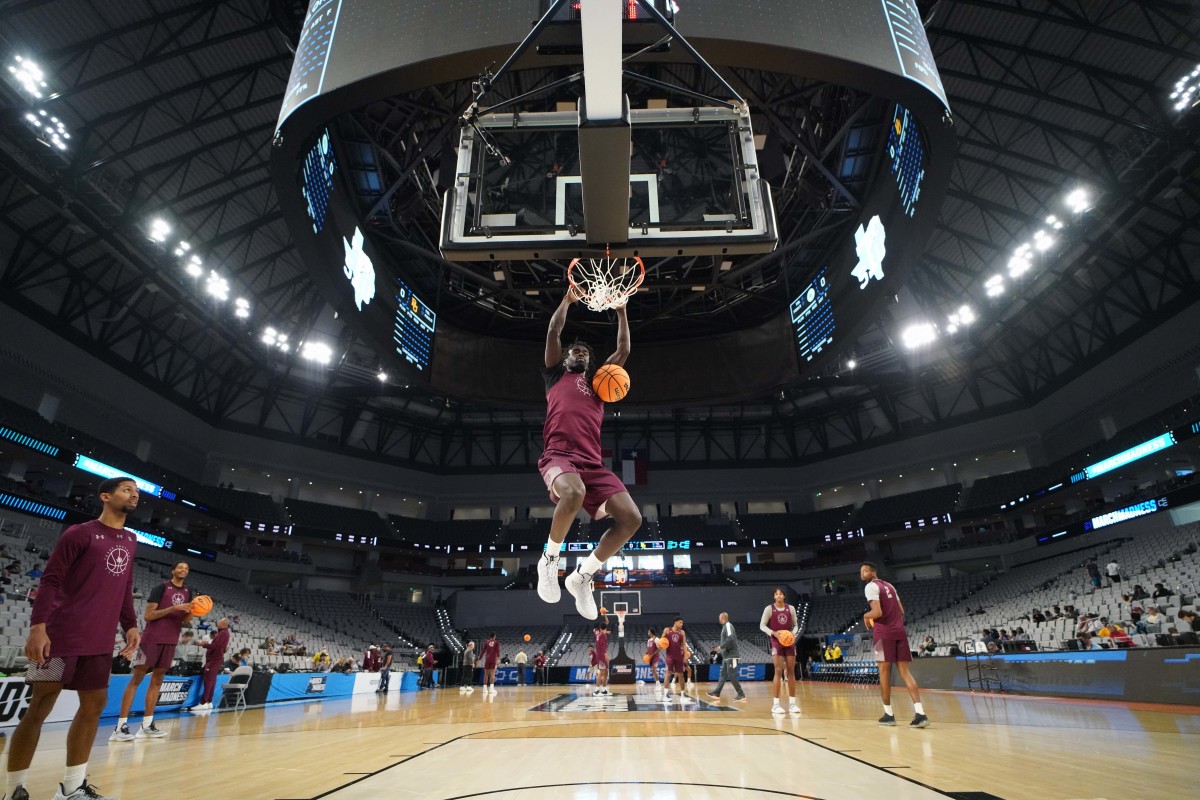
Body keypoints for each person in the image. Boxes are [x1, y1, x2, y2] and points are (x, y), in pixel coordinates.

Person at [5, 477, 140, 800]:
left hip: (99, 641)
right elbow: (51, 580)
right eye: (127, 489)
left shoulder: (131, 539)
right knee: (39, 707)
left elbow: (124, 586)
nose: (134, 495)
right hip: (60, 637)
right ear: (104, 496)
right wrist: (39, 627)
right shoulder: (80, 533)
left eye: (136, 492)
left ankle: (72, 787)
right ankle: (13, 790)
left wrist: (130, 625)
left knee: (94, 706)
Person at [535, 288, 641, 620]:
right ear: (565, 358)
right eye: (574, 350)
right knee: (574, 493)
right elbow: (554, 331)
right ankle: (549, 561)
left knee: (632, 519)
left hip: (592, 463)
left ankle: (583, 576)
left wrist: (621, 310)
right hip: (559, 455)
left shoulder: (599, 384)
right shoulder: (554, 375)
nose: (578, 352)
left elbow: (623, 348)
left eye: (584, 351)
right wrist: (566, 300)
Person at [111, 561, 194, 742]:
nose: (183, 570)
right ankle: (120, 727)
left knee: (157, 681)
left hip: (171, 640)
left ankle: (147, 725)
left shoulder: (188, 592)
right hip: (152, 639)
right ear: (173, 570)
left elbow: (186, 619)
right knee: (137, 679)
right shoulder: (160, 588)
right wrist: (174, 607)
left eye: (186, 569)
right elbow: (148, 616)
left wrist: (195, 610)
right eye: (180, 567)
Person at [861, 562, 929, 728]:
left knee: (883, 672)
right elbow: (901, 611)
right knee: (905, 672)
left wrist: (865, 616)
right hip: (899, 631)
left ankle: (888, 714)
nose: (861, 574)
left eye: (864, 571)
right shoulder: (890, 586)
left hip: (882, 633)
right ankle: (920, 713)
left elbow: (877, 612)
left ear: (873, 572)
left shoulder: (870, 587)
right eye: (860, 571)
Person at [759, 587, 800, 715]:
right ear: (774, 597)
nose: (779, 596)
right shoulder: (769, 609)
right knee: (778, 670)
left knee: (791, 671)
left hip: (789, 641)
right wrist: (773, 633)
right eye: (776, 594)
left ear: (784, 596)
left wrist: (792, 634)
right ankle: (776, 705)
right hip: (776, 641)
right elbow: (762, 625)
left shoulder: (791, 608)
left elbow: (796, 625)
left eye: (781, 594)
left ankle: (792, 704)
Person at [705, 612, 746, 703]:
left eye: (719, 617)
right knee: (723, 675)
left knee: (732, 674)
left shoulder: (728, 625)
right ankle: (716, 693)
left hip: (732, 656)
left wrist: (721, 647)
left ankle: (741, 694)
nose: (718, 619)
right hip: (726, 657)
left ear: (723, 617)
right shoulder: (725, 627)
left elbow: (730, 638)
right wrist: (721, 649)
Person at [192, 617, 230, 712]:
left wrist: (203, 644)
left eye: (219, 622)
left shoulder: (223, 633)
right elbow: (222, 648)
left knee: (208, 681)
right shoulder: (223, 633)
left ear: (223, 624)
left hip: (214, 660)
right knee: (211, 681)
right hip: (214, 659)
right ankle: (209, 702)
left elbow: (216, 646)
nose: (217, 623)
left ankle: (203, 702)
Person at [660, 617, 689, 703]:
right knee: (668, 673)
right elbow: (661, 641)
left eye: (682, 623)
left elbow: (684, 644)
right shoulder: (667, 630)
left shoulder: (682, 632)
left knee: (681, 675)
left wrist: (686, 655)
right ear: (675, 622)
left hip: (679, 656)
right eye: (680, 622)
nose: (681, 624)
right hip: (670, 656)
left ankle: (683, 695)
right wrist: (660, 645)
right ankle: (665, 695)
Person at [592, 617, 610, 696]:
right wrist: (606, 656)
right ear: (605, 628)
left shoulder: (597, 633)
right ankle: (596, 690)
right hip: (602, 656)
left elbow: (606, 623)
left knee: (605, 672)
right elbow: (603, 648)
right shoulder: (603, 635)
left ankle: (604, 690)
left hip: (599, 655)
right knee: (601, 673)